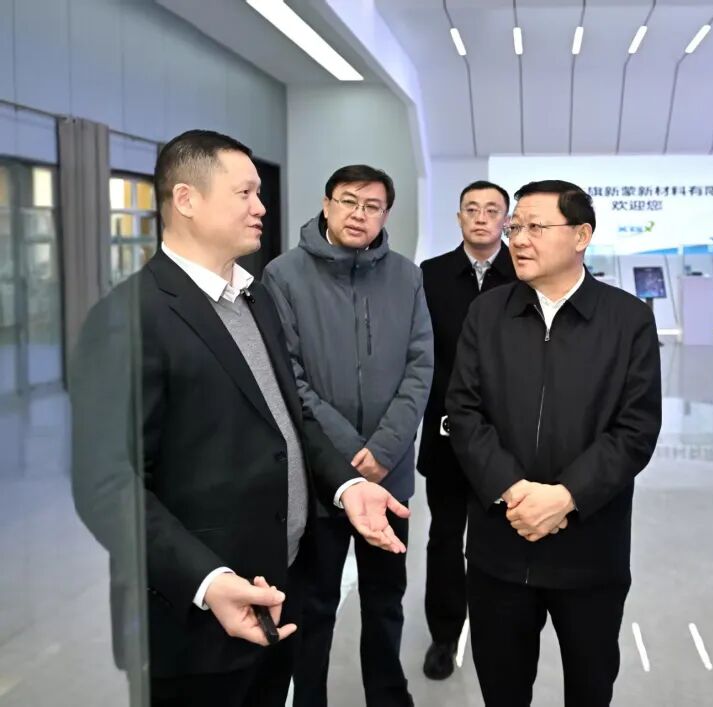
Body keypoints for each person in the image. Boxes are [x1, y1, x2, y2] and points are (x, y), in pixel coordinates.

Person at [69, 130, 408, 707]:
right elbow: (106, 485)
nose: (261, 207)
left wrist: (347, 485)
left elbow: (290, 418)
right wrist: (207, 581)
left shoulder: (254, 298)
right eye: (245, 192)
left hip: (276, 590)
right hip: (197, 618)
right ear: (186, 199)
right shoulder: (128, 317)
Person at [446, 180, 662, 706]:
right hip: (501, 546)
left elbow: (635, 429)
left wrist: (565, 497)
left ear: (581, 235)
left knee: (590, 688)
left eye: (535, 227)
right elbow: (465, 413)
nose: (518, 239)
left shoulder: (627, 319)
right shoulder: (487, 313)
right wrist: (514, 491)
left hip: (589, 550)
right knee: (502, 690)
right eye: (515, 227)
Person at [263, 164, 432, 707]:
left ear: (387, 214)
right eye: (349, 201)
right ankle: (309, 697)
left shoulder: (406, 276)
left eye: (373, 206)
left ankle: (387, 693)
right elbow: (288, 376)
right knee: (313, 601)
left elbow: (420, 365)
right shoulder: (284, 275)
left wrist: (382, 450)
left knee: (386, 598)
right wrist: (347, 453)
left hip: (389, 472)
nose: (360, 214)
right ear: (327, 204)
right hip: (321, 474)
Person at [416, 180, 518, 680]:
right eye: (471, 209)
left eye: (492, 210)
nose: (481, 217)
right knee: (444, 536)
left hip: (508, 435)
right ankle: (444, 634)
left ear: (507, 221)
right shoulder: (430, 276)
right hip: (445, 432)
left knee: (500, 538)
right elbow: (419, 353)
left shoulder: (523, 273)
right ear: (458, 217)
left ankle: (499, 633)